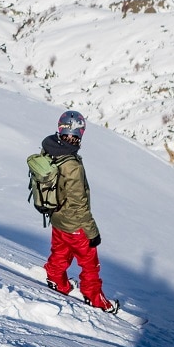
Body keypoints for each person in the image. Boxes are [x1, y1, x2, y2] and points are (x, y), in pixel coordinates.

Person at [41, 109, 119, 313]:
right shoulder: (72, 165)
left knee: (60, 253)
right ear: (80, 133)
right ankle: (95, 299)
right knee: (90, 264)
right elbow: (79, 204)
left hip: (57, 219)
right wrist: (92, 233)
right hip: (75, 225)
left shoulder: (50, 151)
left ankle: (57, 280)